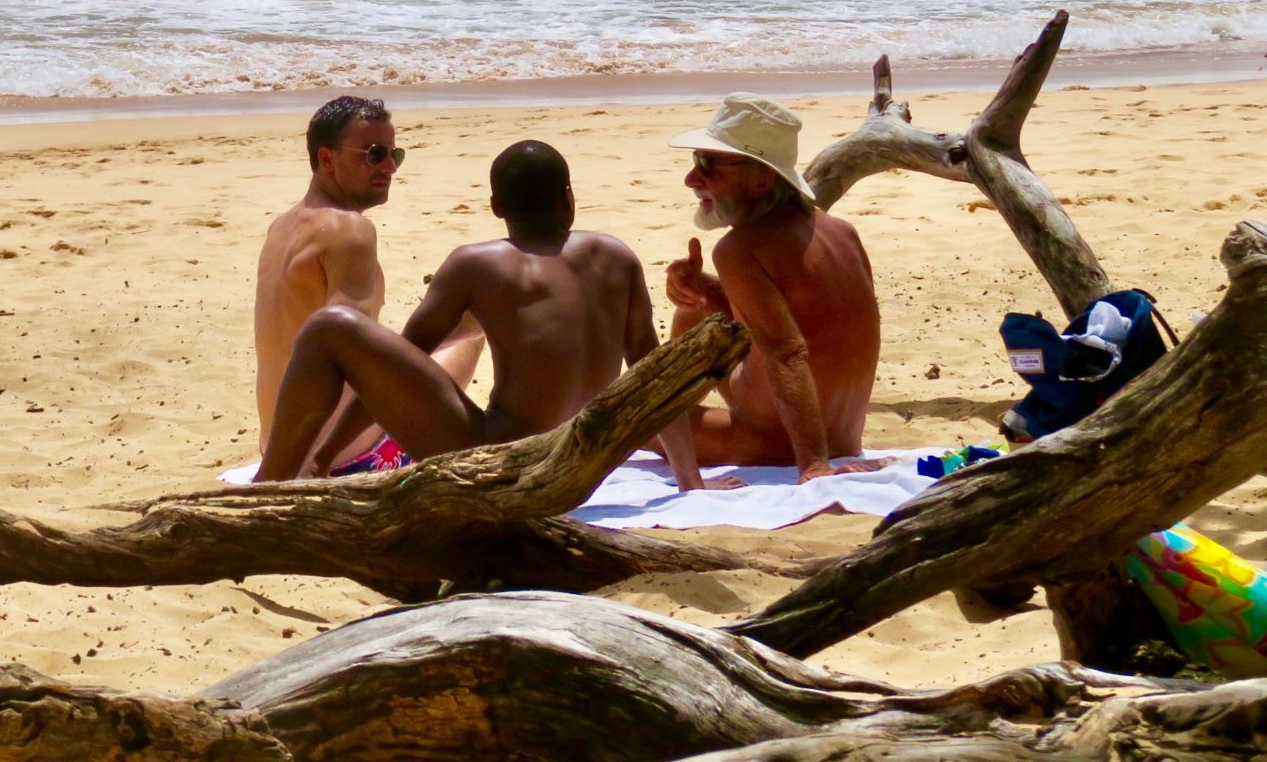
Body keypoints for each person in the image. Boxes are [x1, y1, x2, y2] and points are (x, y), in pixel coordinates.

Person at [257, 140, 715, 487]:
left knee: (330, 328)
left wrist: (325, 457)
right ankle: (296, 470)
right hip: (579, 459)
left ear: (496, 208)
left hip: (501, 460)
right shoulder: (617, 256)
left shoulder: (477, 263)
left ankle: (272, 480)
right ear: (568, 200)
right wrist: (690, 481)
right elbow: (652, 373)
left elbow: (405, 358)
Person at [254, 96, 482, 472]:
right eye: (375, 154)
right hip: (343, 459)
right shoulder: (351, 231)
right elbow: (346, 355)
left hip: (278, 450)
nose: (390, 166)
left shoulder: (282, 226)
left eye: (396, 154)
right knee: (471, 329)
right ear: (327, 159)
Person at [665, 93, 883, 483]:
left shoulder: (740, 249)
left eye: (709, 166)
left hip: (773, 442)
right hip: (845, 437)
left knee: (637, 421)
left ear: (762, 181)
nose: (691, 179)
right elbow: (810, 313)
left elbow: (788, 353)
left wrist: (814, 465)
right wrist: (707, 290)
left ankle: (672, 408)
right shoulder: (841, 232)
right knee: (694, 307)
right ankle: (677, 403)